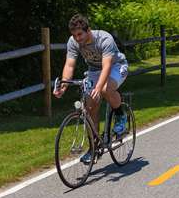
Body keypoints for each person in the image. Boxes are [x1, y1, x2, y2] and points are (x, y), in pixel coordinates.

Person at [54, 15, 129, 158]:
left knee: (106, 89)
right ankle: (94, 147)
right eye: (74, 35)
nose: (77, 38)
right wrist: (63, 85)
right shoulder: (73, 42)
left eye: (80, 34)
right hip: (94, 70)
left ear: (88, 30)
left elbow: (107, 66)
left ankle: (120, 116)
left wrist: (98, 88)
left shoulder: (104, 39)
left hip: (116, 66)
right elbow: (70, 65)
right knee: (90, 107)